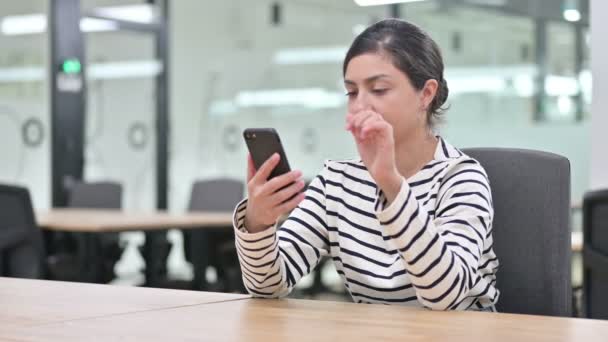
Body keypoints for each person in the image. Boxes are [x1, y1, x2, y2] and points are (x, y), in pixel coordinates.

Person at [232, 19, 499, 311]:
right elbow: (268, 287)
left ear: (426, 94)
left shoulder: (460, 177)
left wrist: (392, 184)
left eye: (379, 89)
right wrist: (258, 224)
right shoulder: (337, 180)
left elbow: (444, 297)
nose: (360, 105)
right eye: (351, 92)